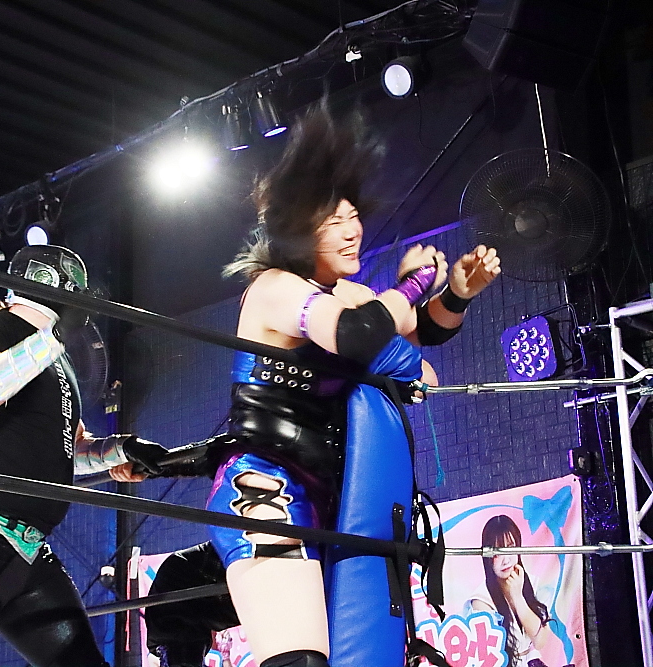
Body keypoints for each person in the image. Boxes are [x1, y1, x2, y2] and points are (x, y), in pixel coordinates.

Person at [203, 102, 501, 667]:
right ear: (297, 229)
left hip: (331, 498)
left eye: (353, 215)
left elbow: (417, 340)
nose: (352, 230)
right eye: (332, 220)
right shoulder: (275, 288)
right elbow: (360, 335)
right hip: (265, 489)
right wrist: (412, 285)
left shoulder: (347, 297)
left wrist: (456, 295)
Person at [0, 244, 167, 667]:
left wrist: (123, 449)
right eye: (76, 287)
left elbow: (66, 450)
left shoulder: (58, 361)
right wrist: (52, 339)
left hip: (28, 549)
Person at [466, 515, 557, 667]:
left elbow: (540, 641)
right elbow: (489, 655)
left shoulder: (535, 583)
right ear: (487, 557)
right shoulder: (481, 601)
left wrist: (517, 597)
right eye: (497, 553)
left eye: (510, 548)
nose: (506, 560)